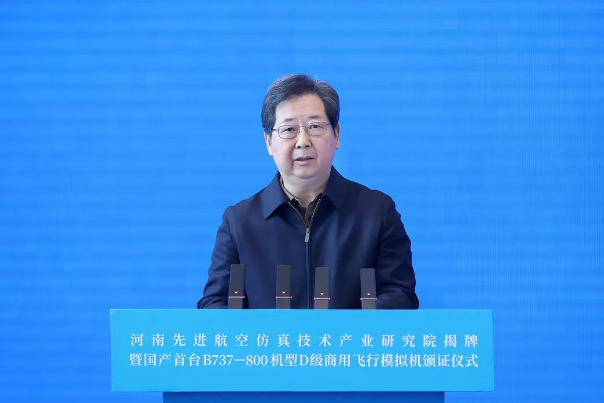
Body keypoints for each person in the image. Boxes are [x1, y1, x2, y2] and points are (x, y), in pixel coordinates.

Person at [197, 74, 418, 309]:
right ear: (268, 142)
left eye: (314, 127)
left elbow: (400, 295)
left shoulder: (376, 212)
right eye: (289, 129)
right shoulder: (239, 222)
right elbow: (214, 303)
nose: (303, 141)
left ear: (336, 135)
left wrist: (345, 328)